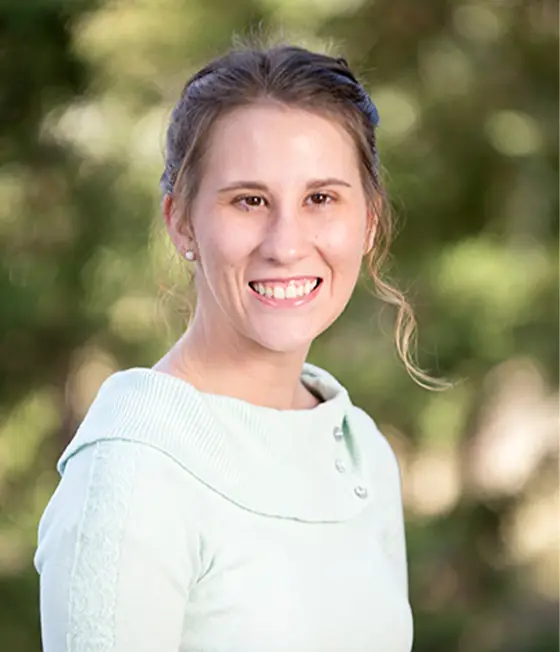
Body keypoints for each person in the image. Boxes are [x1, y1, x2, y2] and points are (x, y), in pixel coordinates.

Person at [34, 43, 439, 652]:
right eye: (249, 201)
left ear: (370, 221)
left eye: (320, 199)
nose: (285, 243)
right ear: (182, 223)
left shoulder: (363, 455)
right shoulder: (132, 474)